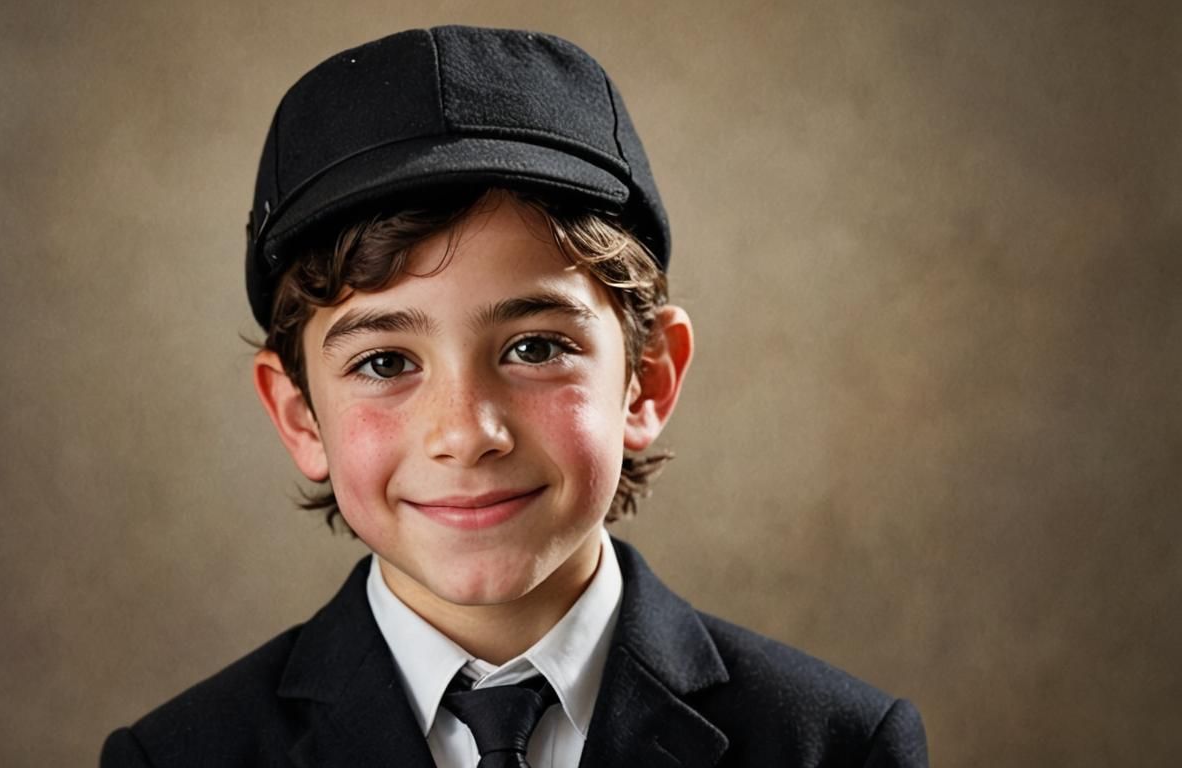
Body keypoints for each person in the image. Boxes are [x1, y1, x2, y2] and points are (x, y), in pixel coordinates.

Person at [101, 25, 929, 768]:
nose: (466, 434)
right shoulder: (175, 759)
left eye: (536, 348)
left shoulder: (837, 749)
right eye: (386, 363)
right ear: (299, 416)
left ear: (647, 378)